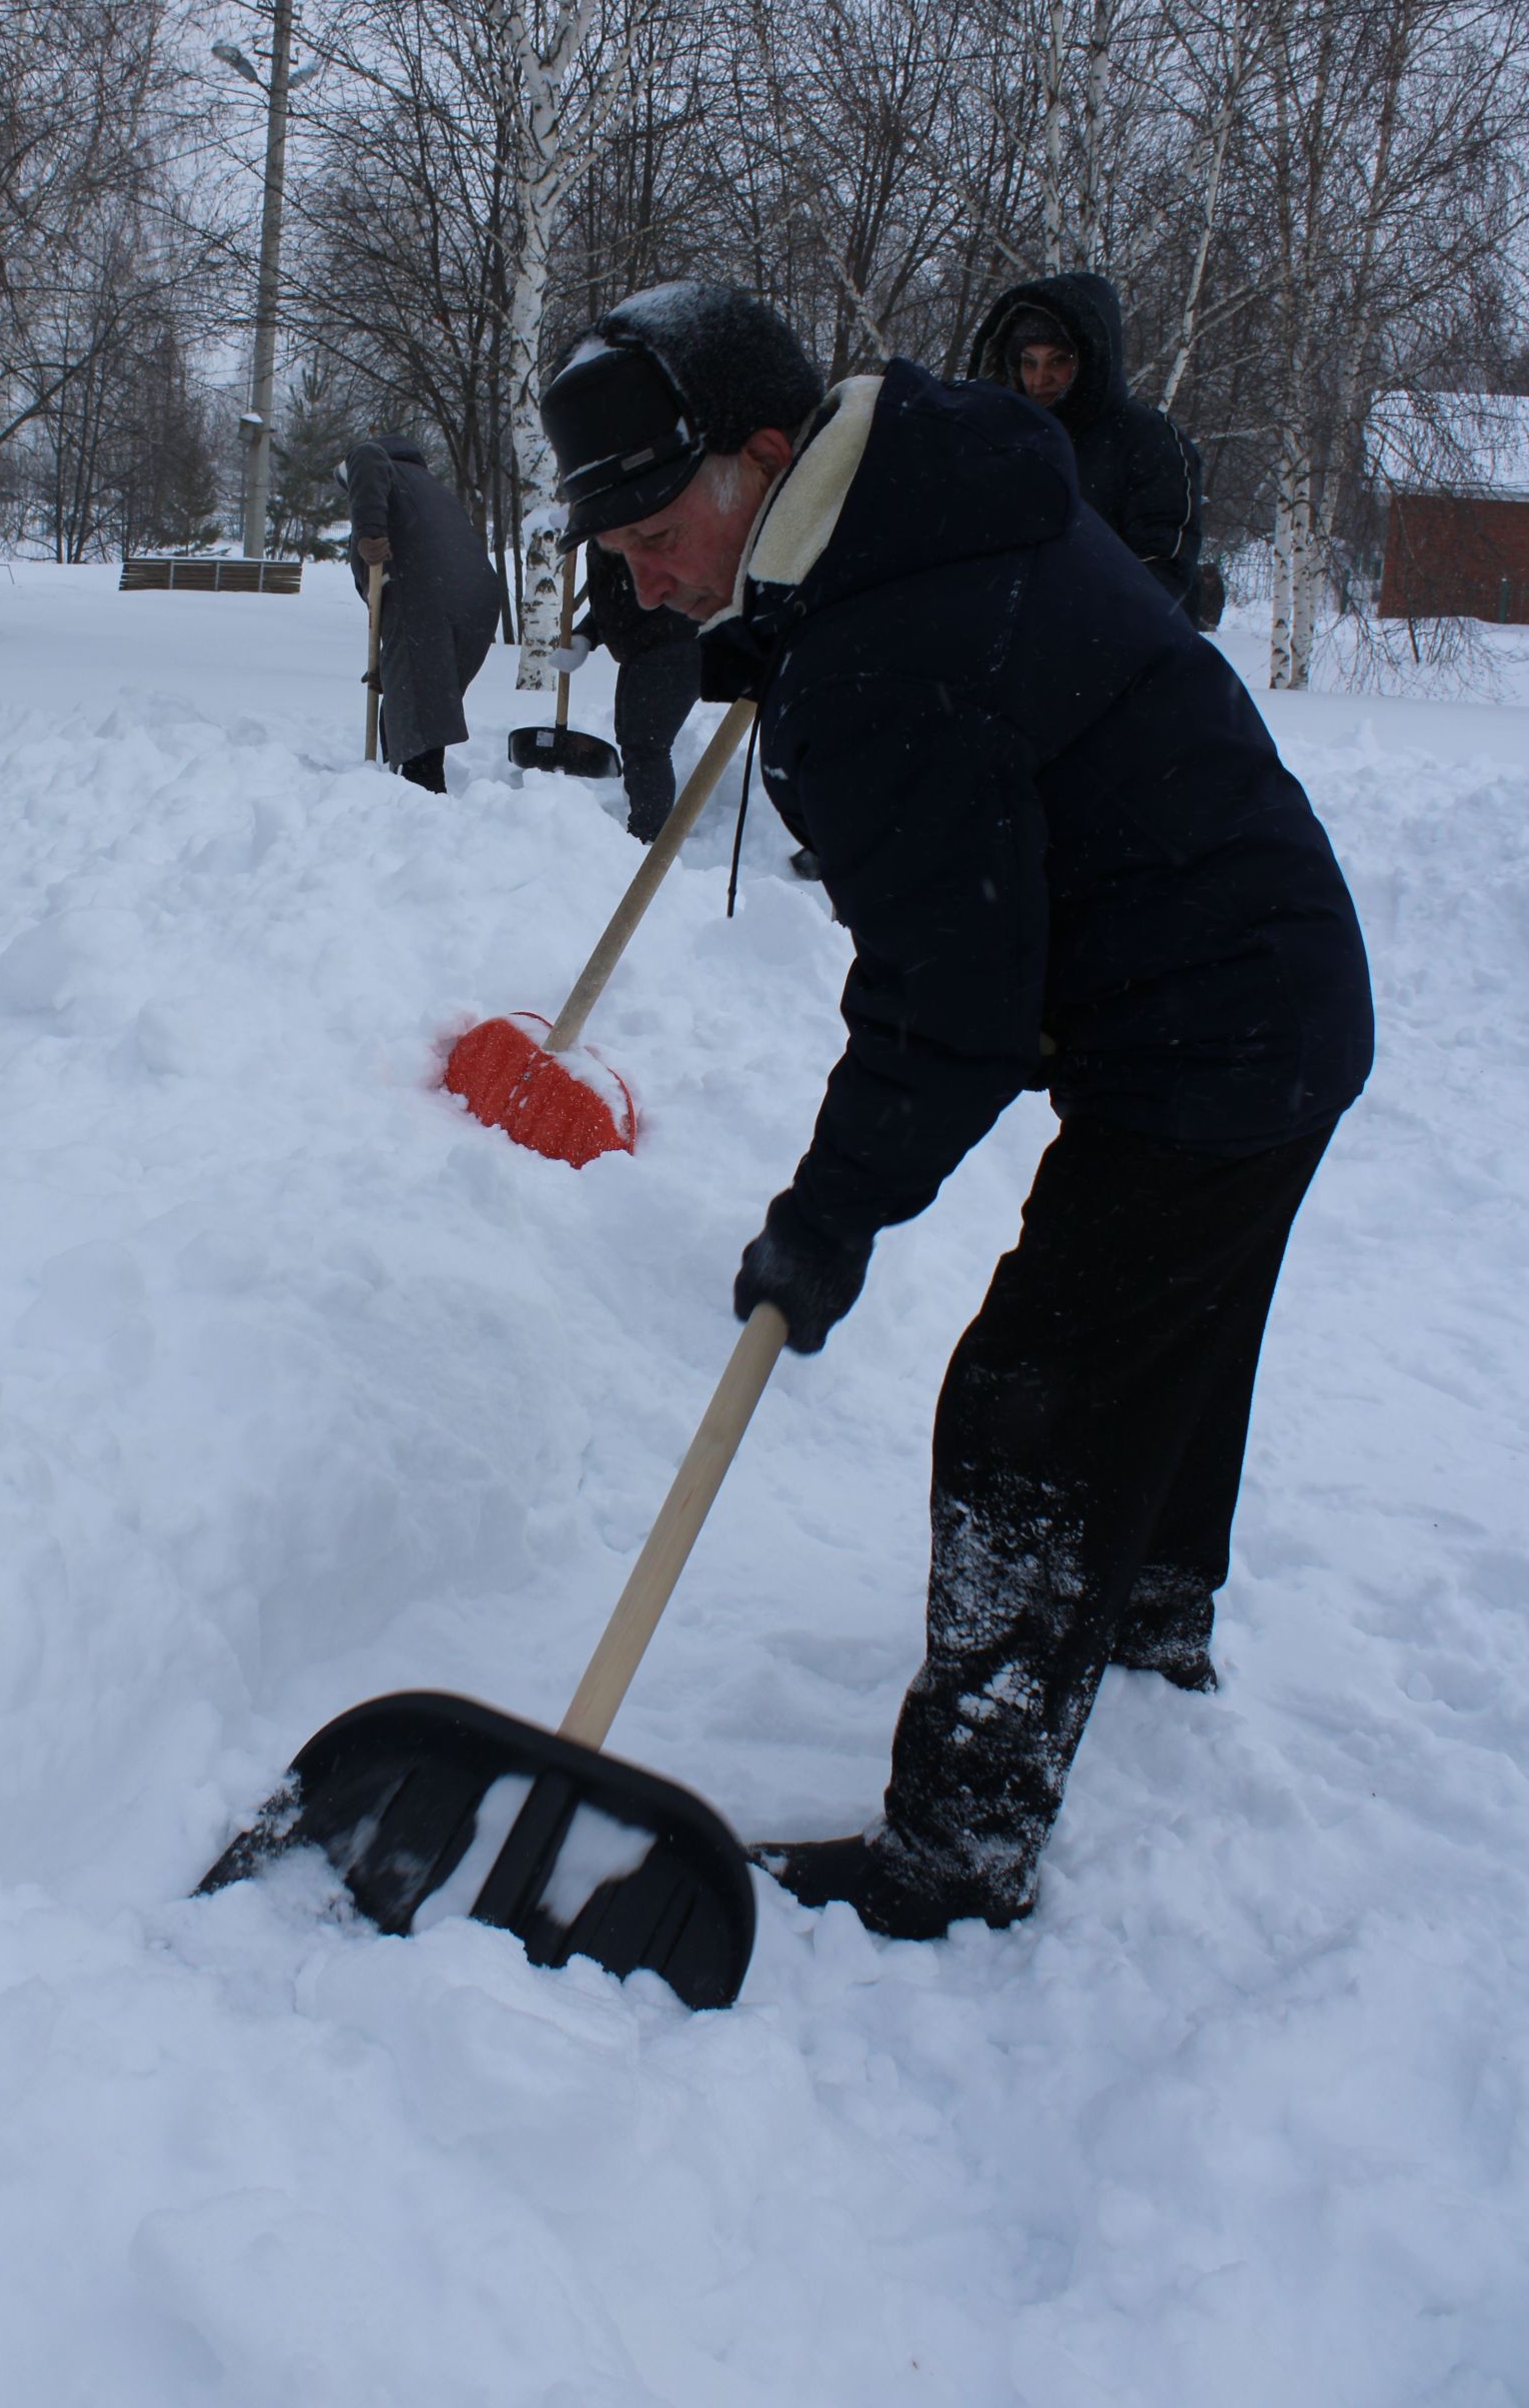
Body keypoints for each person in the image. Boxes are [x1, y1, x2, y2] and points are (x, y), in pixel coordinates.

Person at [539, 281, 1374, 1941]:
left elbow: (951, 1010)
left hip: (1203, 1026)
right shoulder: (930, 482)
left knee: (1031, 1411)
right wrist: (774, 623)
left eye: (645, 532)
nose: (626, 576)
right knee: (1173, 1328)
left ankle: (959, 1849)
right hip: (1274, 973)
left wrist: (826, 1220)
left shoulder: (884, 664)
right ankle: (1143, 1610)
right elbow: (958, 669)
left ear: (767, 455)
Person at [969, 271, 1204, 615]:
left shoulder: (1147, 440)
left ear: (1091, 358)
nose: (1039, 378)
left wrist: (1070, 622)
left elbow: (1162, 573)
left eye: (1058, 361)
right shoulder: (1000, 439)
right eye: (1028, 362)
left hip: (1101, 646)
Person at [341, 436, 502, 793]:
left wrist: (368, 533)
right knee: (418, 703)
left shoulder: (380, 467)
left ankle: (422, 802)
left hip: (427, 601)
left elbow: (364, 456)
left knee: (419, 717)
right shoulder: (427, 489)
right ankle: (400, 789)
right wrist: (391, 664)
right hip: (475, 604)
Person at [551, 540, 702, 840]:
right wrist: (583, 637)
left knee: (646, 745)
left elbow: (640, 595)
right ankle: (646, 832)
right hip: (645, 648)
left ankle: (649, 839)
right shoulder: (605, 534)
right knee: (635, 739)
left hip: (675, 643)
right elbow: (615, 602)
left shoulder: (639, 523)